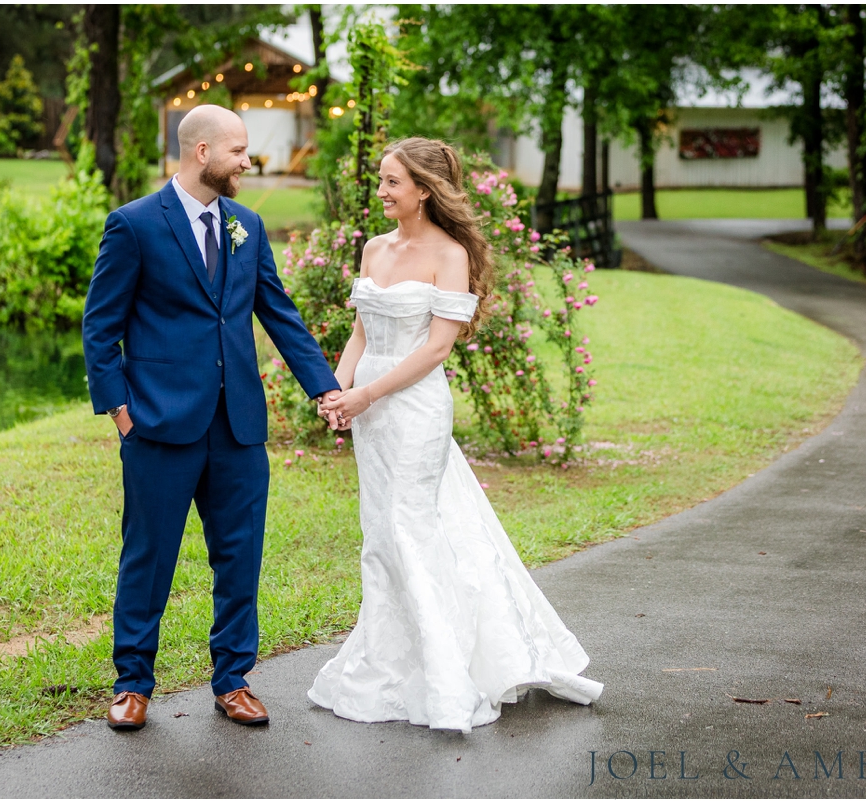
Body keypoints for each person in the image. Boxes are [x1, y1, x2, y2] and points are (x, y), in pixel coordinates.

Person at [309, 138, 603, 733]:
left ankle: (445, 672)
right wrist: (333, 390)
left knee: (408, 525)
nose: (382, 191)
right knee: (379, 530)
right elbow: (361, 334)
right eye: (381, 180)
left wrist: (367, 394)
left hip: (414, 407)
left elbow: (437, 347)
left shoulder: (450, 254)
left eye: (393, 182)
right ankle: (387, 659)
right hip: (369, 409)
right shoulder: (373, 249)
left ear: (424, 189)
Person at [83, 105, 340, 730]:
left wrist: (325, 390)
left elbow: (279, 315)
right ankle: (132, 683)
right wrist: (120, 411)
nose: (247, 163)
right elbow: (100, 328)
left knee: (240, 555)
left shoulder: (246, 226)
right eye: (238, 152)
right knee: (148, 556)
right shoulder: (135, 225)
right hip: (158, 427)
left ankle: (233, 680)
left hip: (238, 429)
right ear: (202, 153)